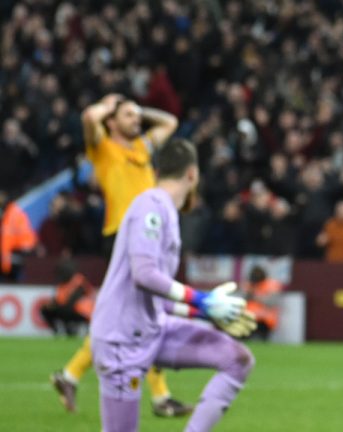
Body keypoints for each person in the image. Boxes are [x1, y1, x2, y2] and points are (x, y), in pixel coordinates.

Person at [90, 138, 256, 432]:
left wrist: (204, 313)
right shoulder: (150, 207)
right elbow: (144, 275)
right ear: (192, 174)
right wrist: (201, 299)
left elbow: (160, 298)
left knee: (237, 359)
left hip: (154, 328)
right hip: (121, 338)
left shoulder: (165, 210)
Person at [50, 94, 191, 416]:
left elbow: (170, 122)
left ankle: (71, 374)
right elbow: (88, 118)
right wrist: (106, 106)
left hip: (150, 232)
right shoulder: (102, 148)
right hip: (123, 234)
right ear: (112, 122)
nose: (137, 120)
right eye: (129, 116)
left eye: (137, 115)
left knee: (126, 316)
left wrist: (138, 110)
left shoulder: (142, 146)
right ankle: (160, 397)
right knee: (143, 313)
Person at [40, 259, 96, 336]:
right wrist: (52, 305)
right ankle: (57, 331)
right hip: (67, 309)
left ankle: (86, 332)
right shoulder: (62, 284)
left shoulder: (79, 281)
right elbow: (58, 299)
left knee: (69, 309)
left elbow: (73, 301)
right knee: (45, 309)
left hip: (81, 312)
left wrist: (57, 305)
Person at [0, 189, 37, 282]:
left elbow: (6, 241)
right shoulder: (15, 211)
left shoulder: (10, 215)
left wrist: (5, 267)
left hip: (18, 255)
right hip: (25, 253)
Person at [243, 265, 284, 341]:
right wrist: (247, 295)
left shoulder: (271, 285)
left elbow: (272, 302)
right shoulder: (248, 285)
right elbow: (240, 301)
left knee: (261, 341)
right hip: (248, 318)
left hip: (264, 321)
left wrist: (255, 297)